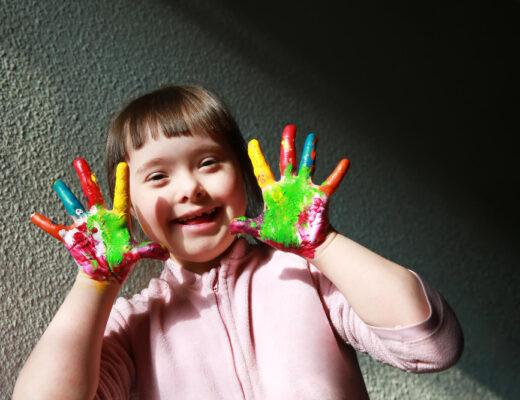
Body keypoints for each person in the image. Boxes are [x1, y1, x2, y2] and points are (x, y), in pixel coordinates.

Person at [13, 85, 463, 399]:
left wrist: (323, 245)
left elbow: (431, 345)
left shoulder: (305, 277)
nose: (190, 188)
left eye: (208, 162)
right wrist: (94, 284)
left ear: (245, 176)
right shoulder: (135, 326)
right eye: (158, 176)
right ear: (127, 207)